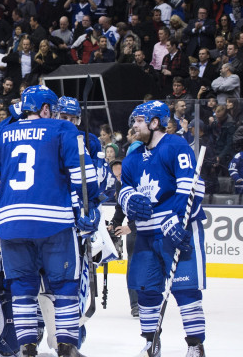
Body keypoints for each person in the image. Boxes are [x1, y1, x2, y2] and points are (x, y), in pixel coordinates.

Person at [0, 85, 101, 357]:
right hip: (54, 222)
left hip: (12, 224)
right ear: (45, 109)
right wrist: (91, 206)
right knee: (65, 285)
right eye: (53, 110)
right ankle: (66, 347)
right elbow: (84, 177)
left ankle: (27, 348)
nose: (56, 115)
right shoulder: (62, 130)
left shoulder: (3, 133)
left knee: (22, 288)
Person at [119, 101, 207, 357]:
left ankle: (195, 345)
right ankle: (150, 341)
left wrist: (177, 218)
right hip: (147, 234)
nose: (133, 125)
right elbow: (124, 187)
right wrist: (129, 200)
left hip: (177, 232)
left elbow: (192, 187)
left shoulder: (175, 146)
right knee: (146, 290)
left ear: (154, 122)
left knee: (185, 289)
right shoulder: (133, 156)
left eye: (138, 121)